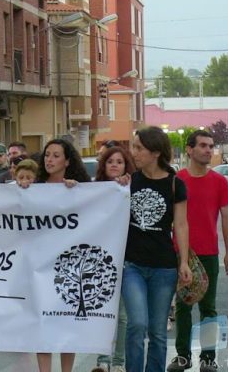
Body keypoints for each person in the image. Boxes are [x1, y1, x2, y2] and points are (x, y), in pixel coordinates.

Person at [167, 130, 228, 372]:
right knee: (183, 305)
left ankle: (208, 358)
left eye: (211, 146)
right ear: (189, 149)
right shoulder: (177, 180)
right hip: (180, 253)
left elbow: (227, 218)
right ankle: (183, 356)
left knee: (208, 307)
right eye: (203, 146)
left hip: (208, 253)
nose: (209, 150)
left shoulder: (219, 182)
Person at [124, 127, 192, 372]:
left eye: (138, 148)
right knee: (136, 324)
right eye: (134, 147)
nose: (134, 153)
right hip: (132, 265)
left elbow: (181, 225)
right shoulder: (129, 181)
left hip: (164, 267)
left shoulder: (175, 184)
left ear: (154, 152)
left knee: (157, 331)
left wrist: (183, 261)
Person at [35, 139, 90, 372]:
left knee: (67, 323)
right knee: (42, 324)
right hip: (38, 267)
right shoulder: (33, 188)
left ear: (67, 161)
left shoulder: (79, 188)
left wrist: (76, 193)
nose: (50, 160)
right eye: (47, 155)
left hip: (68, 268)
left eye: (56, 156)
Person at [91, 146, 135, 372]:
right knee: (102, 313)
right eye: (110, 161)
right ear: (104, 165)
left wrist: (127, 187)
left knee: (122, 316)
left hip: (126, 258)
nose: (115, 165)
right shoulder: (92, 190)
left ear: (126, 166)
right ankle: (102, 361)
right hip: (100, 260)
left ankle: (118, 363)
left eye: (120, 161)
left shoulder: (131, 188)